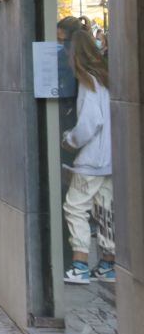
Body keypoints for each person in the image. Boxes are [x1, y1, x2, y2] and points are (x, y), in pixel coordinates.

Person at [61, 29, 115, 284]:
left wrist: (70, 140)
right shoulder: (105, 78)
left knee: (75, 207)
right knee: (105, 211)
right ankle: (108, 264)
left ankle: (80, 263)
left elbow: (90, 122)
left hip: (91, 158)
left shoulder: (87, 81)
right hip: (109, 158)